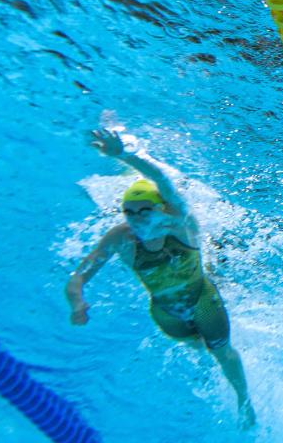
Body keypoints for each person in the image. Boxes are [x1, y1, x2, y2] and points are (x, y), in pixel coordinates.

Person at [65, 128, 256, 426]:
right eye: (130, 211)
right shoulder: (121, 239)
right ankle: (211, 369)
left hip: (201, 298)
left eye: (145, 210)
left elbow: (164, 183)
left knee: (221, 350)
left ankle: (244, 402)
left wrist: (127, 155)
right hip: (165, 313)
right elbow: (78, 277)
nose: (138, 217)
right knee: (198, 349)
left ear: (161, 208)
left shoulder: (180, 224)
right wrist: (77, 303)